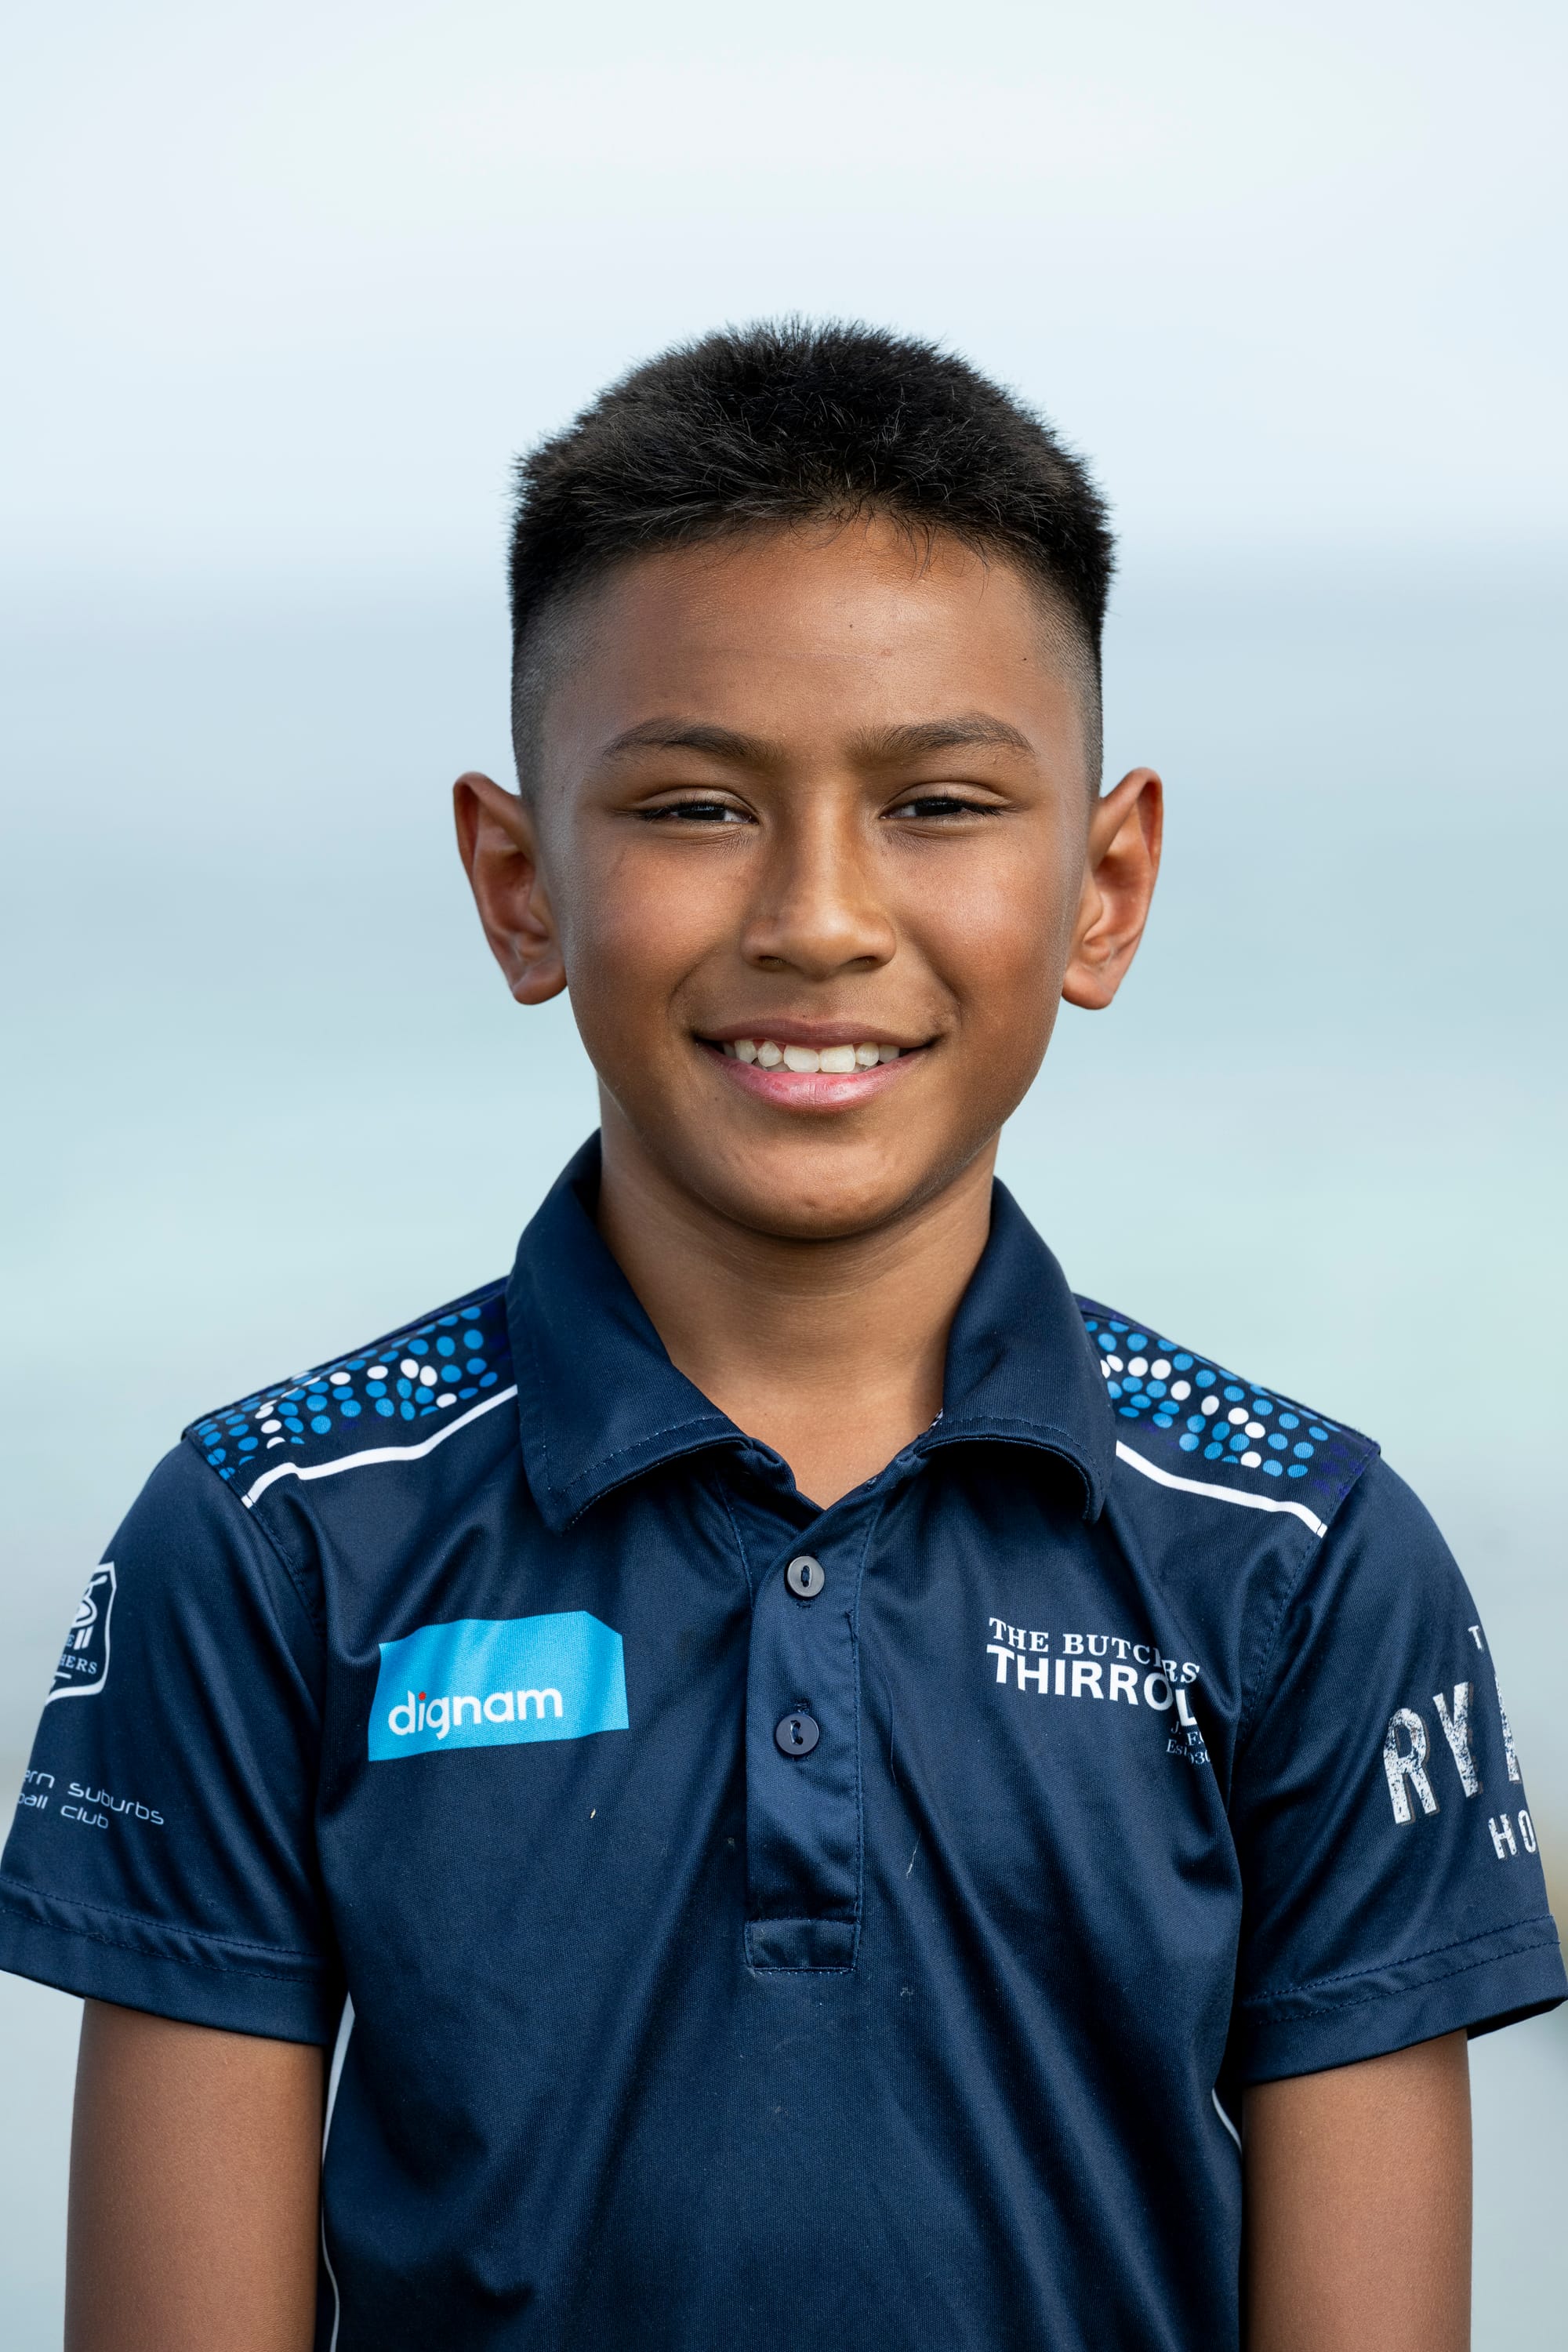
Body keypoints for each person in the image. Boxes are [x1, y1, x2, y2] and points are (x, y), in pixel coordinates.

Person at [2, 321, 1561, 2352]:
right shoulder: (276, 1540)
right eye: (693, 807)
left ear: (1105, 887)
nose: (819, 916)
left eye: (938, 802)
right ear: (517, 882)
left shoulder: (1304, 1561)